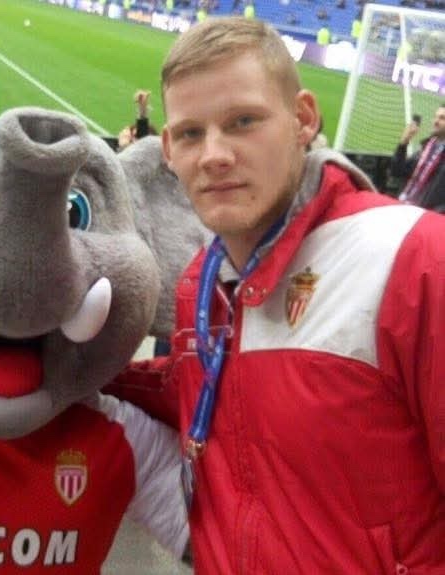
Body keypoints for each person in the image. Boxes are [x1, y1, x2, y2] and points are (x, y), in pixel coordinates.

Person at [111, 16, 445, 573]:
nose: (214, 155)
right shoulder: (202, 279)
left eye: (242, 121)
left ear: (303, 119)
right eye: (191, 134)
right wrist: (74, 371)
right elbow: (218, 386)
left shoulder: (415, 259)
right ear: (167, 149)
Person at [391, 104, 445, 211]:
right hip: (403, 203)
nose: (435, 121)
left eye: (442, 118)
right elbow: (397, 171)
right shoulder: (426, 147)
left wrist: (433, 214)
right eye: (435, 117)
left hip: (424, 215)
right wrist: (404, 142)